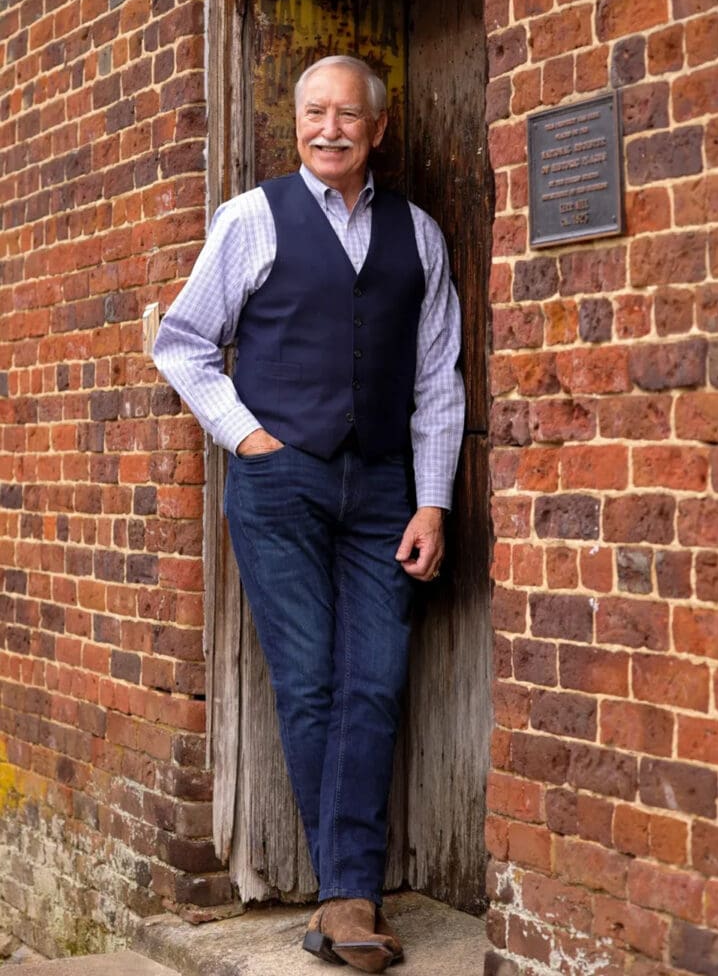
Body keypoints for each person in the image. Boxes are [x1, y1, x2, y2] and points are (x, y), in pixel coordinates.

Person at [152, 55, 464, 973]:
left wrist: (434, 501)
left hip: (382, 491)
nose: (329, 129)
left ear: (377, 128)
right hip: (279, 480)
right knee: (312, 684)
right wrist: (247, 438)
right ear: (297, 124)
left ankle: (343, 901)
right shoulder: (251, 218)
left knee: (374, 680)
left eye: (348, 116)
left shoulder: (421, 234)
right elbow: (184, 344)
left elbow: (438, 379)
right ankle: (349, 896)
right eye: (313, 113)